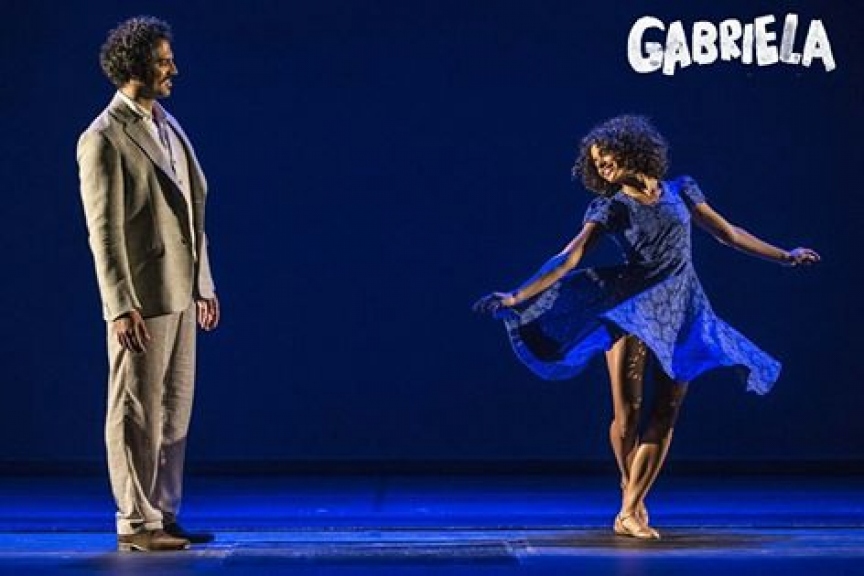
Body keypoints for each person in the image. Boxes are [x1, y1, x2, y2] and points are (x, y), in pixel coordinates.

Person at [473, 115, 819, 540]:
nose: (602, 166)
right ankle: (630, 494)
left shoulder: (682, 190)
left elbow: (728, 233)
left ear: (631, 149)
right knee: (629, 412)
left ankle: (630, 508)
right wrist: (516, 296)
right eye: (595, 163)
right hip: (633, 310)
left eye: (606, 156)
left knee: (666, 409)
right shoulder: (611, 206)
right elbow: (569, 257)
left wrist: (785, 255)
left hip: (682, 309)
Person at [77, 16, 220, 552]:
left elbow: (191, 210)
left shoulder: (167, 123)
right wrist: (120, 305)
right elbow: (104, 232)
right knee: (135, 408)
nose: (172, 69)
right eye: (162, 61)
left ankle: (163, 512)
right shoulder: (103, 137)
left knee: (173, 407)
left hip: (181, 290)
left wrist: (204, 283)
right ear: (134, 66)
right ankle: (135, 521)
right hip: (142, 296)